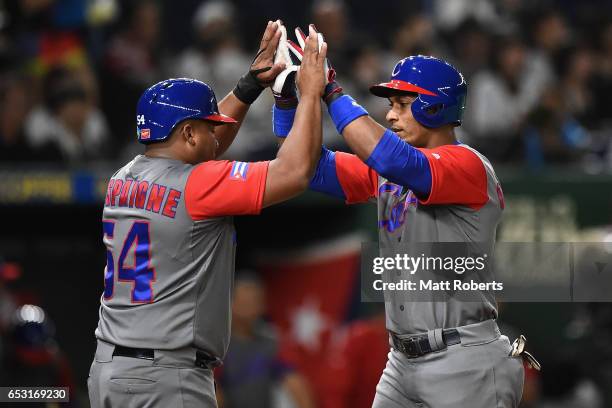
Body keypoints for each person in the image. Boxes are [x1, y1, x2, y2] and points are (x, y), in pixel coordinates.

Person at [273, 28, 529, 407]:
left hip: (464, 358)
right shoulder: (391, 170)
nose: (390, 114)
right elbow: (303, 166)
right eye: (390, 103)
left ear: (435, 106)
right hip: (402, 361)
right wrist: (286, 98)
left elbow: (393, 159)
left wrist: (330, 90)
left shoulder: (469, 165)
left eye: (402, 103)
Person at [87, 23, 327, 408]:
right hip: (165, 375)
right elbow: (296, 172)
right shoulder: (198, 184)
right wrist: (311, 94)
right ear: (187, 133)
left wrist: (249, 86)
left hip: (109, 368)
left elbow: (203, 147)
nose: (217, 135)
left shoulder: (123, 176)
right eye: (207, 126)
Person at [216, 274, 314, 408]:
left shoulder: (270, 343)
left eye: (254, 301)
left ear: (262, 306)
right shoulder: (218, 344)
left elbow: (293, 381)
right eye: (244, 301)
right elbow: (212, 388)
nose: (248, 307)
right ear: (230, 303)